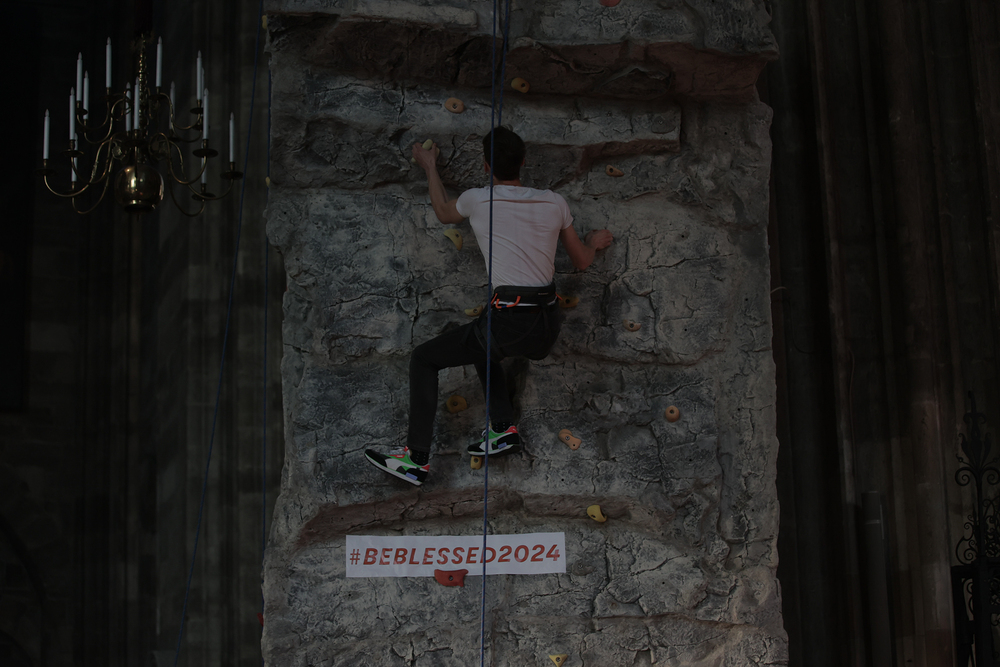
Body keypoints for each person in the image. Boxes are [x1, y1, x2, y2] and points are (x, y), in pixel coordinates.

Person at [364, 126, 613, 486]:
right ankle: (501, 429)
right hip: (546, 326)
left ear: (485, 165)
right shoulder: (554, 202)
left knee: (424, 358)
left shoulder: (477, 200)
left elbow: (443, 212)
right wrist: (592, 242)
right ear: (523, 162)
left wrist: (429, 166)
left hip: (509, 323)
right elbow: (582, 261)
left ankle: (415, 459)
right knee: (479, 339)